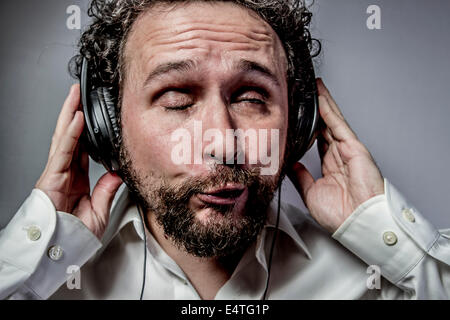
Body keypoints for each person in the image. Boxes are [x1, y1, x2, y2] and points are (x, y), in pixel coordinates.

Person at [1, 0, 449, 300]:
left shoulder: (381, 279)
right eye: (177, 97)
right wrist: (40, 245)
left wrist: (386, 230)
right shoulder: (48, 278)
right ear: (108, 125)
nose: (222, 140)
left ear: (298, 123)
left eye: (252, 98)